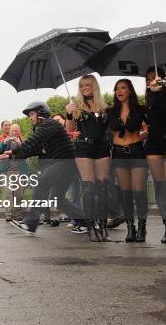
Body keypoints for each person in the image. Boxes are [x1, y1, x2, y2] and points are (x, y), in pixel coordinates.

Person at [0, 102, 84, 234]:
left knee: (41, 183)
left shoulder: (49, 124)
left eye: (32, 114)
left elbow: (33, 142)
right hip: (67, 165)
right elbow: (36, 149)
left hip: (65, 163)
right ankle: (87, 221)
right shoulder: (46, 127)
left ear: (41, 113)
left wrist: (15, 151)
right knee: (57, 198)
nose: (30, 118)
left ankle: (31, 223)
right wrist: (11, 155)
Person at [65, 74, 111, 241]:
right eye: (81, 85)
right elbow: (69, 129)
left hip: (102, 148)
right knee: (88, 186)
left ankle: (102, 222)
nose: (84, 88)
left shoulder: (104, 106)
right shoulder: (76, 106)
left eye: (87, 85)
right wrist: (69, 114)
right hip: (83, 147)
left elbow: (111, 128)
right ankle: (90, 223)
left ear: (94, 86)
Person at [106, 79, 148, 243]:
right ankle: (131, 228)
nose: (119, 91)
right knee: (126, 193)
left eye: (123, 88)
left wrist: (143, 135)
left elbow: (150, 126)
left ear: (130, 90)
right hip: (119, 154)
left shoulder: (140, 109)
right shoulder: (111, 111)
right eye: (117, 88)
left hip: (137, 151)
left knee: (139, 191)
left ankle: (142, 227)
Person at [144, 67, 166, 243]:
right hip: (153, 145)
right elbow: (150, 119)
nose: (151, 81)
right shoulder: (149, 97)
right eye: (148, 79)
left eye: (155, 78)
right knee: (160, 188)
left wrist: (159, 93)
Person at [0, 124, 27, 222]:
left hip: (20, 171)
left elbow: (26, 152)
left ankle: (18, 214)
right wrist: (3, 143)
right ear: (9, 131)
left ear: (19, 132)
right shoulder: (5, 141)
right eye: (12, 131)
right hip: (7, 171)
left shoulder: (23, 141)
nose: (14, 132)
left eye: (16, 131)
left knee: (19, 195)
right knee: (8, 193)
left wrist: (20, 144)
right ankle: (8, 214)